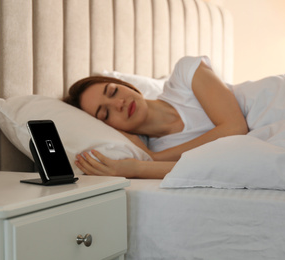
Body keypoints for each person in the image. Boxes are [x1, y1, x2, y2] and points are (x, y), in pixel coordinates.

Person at [64, 56, 248, 179]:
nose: (118, 103)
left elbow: (235, 128)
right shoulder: (162, 151)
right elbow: (211, 170)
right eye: (106, 113)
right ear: (110, 128)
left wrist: (154, 158)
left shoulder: (184, 77)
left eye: (113, 91)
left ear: (126, 85)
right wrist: (139, 166)